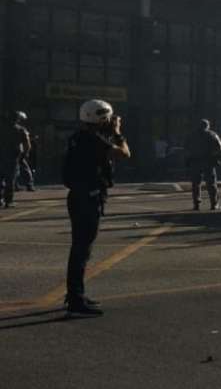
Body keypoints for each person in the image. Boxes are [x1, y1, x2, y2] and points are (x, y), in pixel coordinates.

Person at [62, 99, 131, 316]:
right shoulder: (91, 139)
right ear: (100, 118)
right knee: (82, 250)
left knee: (80, 248)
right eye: (108, 118)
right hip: (88, 197)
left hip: (79, 196)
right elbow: (124, 153)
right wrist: (118, 133)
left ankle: (75, 294)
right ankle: (75, 299)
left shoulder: (80, 137)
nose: (110, 121)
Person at [185, 119, 221, 211]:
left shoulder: (191, 135)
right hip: (208, 161)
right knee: (211, 183)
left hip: (195, 161)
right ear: (207, 126)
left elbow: (186, 147)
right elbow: (219, 146)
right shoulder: (211, 134)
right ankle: (214, 204)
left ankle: (196, 204)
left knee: (196, 184)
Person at [0, 111, 31, 207]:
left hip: (1, 156)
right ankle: (8, 201)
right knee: (10, 180)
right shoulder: (21, 130)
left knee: (1, 178)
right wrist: (24, 155)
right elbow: (27, 145)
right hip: (13, 157)